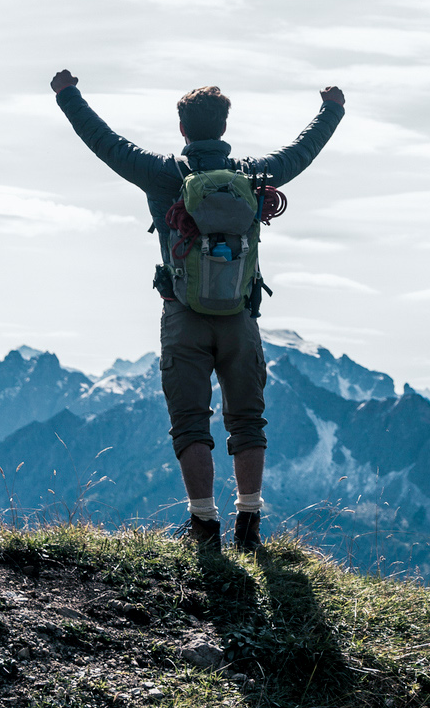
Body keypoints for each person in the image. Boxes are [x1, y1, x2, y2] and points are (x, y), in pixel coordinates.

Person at [50, 69, 345, 554]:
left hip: (183, 315)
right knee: (247, 420)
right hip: (240, 318)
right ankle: (248, 522)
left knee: (191, 420)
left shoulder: (162, 173)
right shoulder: (255, 174)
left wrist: (68, 95)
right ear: (224, 129)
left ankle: (204, 525)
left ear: (183, 129)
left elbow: (103, 141)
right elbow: (302, 152)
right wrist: (331, 110)